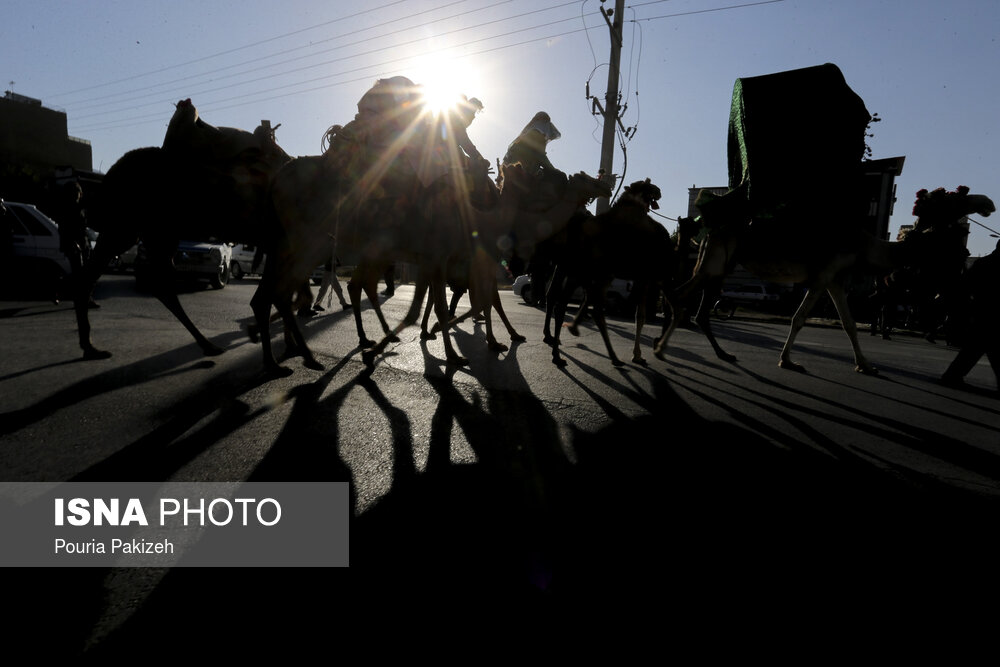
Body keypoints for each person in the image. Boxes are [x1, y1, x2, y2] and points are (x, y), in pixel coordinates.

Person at [939, 239, 1000, 392]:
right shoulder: (990, 264)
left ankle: (952, 376)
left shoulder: (983, 263)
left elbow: (966, 286)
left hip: (982, 311)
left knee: (976, 348)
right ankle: (951, 376)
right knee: (983, 347)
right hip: (990, 312)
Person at [53, 180, 98, 308]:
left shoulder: (80, 207)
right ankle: (60, 291)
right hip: (73, 245)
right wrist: (73, 244)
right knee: (79, 275)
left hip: (82, 244)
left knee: (83, 275)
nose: (79, 195)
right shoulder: (68, 209)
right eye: (77, 193)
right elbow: (64, 229)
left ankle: (84, 298)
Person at [501, 111, 567, 194]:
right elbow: (540, 156)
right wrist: (554, 171)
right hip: (525, 170)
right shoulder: (539, 135)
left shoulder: (527, 134)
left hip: (513, 168)